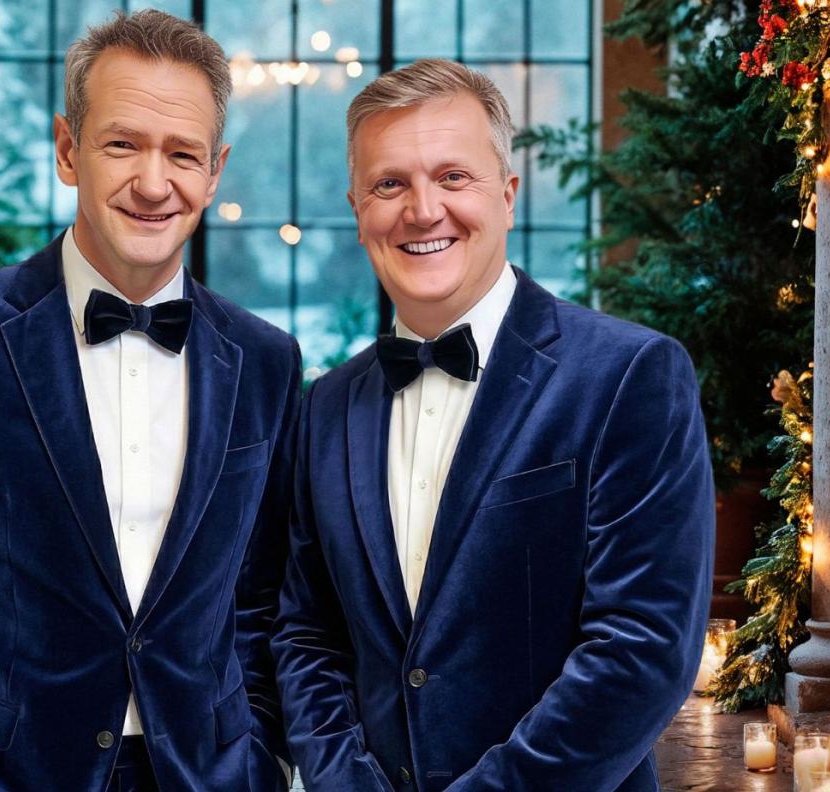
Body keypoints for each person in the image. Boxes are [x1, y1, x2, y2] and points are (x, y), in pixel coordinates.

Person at [0, 11, 299, 791]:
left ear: (215, 171)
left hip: (209, 773)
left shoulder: (267, 360)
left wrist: (267, 755)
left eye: (182, 154)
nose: (153, 183)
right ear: (69, 149)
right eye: (122, 144)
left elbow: (267, 596)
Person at [273, 59, 715, 792]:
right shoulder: (326, 406)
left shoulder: (630, 376)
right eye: (390, 184)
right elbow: (305, 634)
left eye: (453, 177)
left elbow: (640, 651)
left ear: (507, 196)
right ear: (358, 211)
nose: (422, 210)